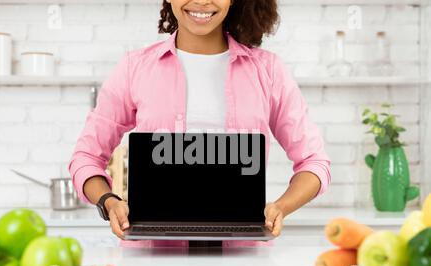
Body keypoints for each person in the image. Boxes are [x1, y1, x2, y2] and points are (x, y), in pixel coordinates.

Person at [68, 0, 331, 246]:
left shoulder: (269, 70)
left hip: (243, 259)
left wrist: (280, 207)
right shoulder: (134, 68)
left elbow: (314, 163)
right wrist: (109, 201)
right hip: (152, 260)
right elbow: (86, 158)